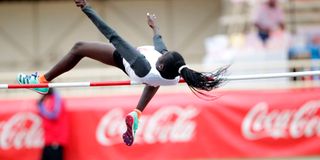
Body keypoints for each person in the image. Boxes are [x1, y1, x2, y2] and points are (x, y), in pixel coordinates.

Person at [17, 0, 227, 146]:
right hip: (151, 79)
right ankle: (137, 113)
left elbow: (112, 35)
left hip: (127, 64)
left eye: (162, 57)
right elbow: (161, 47)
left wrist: (87, 8)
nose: (162, 54)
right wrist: (154, 28)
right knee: (153, 82)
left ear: (161, 65)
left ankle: (43, 81)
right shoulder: (172, 73)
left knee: (79, 48)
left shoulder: (142, 63)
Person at [37, 88, 69, 160]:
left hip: (55, 140)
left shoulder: (56, 99)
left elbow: (54, 114)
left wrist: (41, 107)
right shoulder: (49, 99)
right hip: (49, 139)